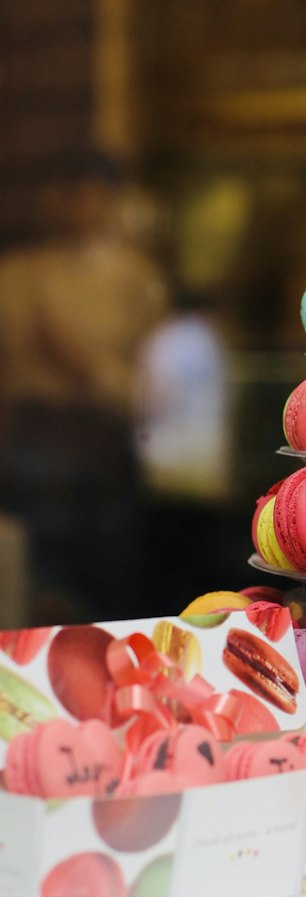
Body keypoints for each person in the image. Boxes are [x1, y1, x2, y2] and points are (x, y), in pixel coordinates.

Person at [0, 147, 167, 622]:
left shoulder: (137, 278)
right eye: (65, 193)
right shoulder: (15, 276)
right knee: (34, 585)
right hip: (30, 445)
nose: (75, 205)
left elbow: (149, 383)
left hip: (106, 444)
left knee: (107, 587)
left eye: (89, 194)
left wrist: (87, 370)